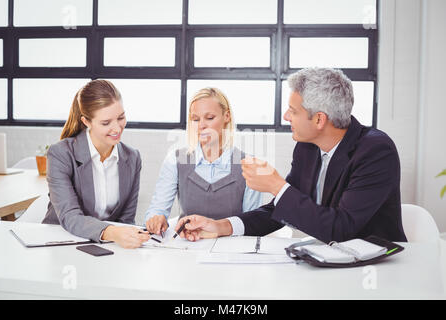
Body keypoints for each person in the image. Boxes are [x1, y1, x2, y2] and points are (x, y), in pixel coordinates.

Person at [174, 68, 407, 243]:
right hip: (325, 259)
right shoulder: (307, 147)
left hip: (374, 268)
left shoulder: (376, 151)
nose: (285, 116)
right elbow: (279, 211)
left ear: (319, 119)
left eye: (293, 111)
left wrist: (277, 185)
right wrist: (220, 226)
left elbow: (341, 228)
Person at [42, 79, 150, 248]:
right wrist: (112, 232)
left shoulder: (132, 157)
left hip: (108, 248)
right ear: (86, 122)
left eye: (121, 117)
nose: (117, 128)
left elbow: (126, 220)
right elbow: (70, 217)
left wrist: (129, 236)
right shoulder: (61, 154)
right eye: (106, 123)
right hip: (62, 243)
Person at [144, 87, 262, 235]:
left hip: (232, 251)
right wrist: (155, 219)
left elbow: (253, 223)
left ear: (227, 117)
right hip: (188, 247)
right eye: (195, 119)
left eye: (210, 118)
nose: (201, 126)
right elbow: (157, 209)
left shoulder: (249, 165)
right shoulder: (175, 160)